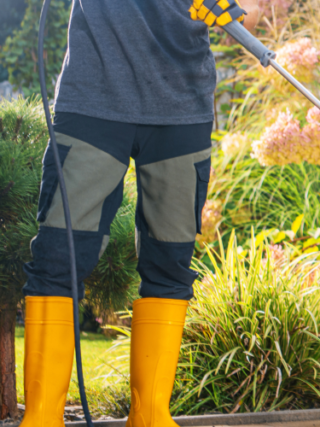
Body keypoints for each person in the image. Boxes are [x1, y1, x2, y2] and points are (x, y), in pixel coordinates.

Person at [20, 2, 244, 427]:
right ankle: (42, 416)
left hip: (182, 102)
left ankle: (150, 414)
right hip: (93, 98)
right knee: (58, 256)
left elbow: (249, 8)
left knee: (170, 262)